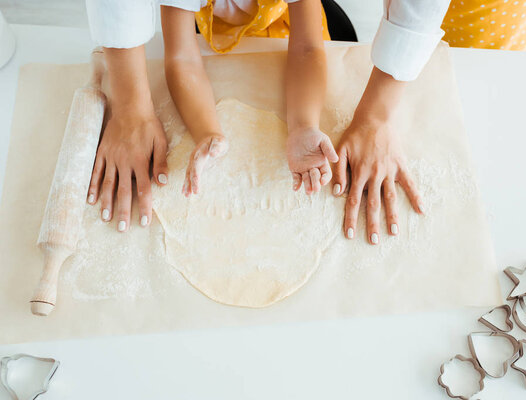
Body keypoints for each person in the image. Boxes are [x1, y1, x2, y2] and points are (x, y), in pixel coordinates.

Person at [84, 0, 459, 245]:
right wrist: (207, 131)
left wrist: (303, 124)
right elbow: (181, 57)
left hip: (284, 31)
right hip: (210, 33)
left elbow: (308, 47)